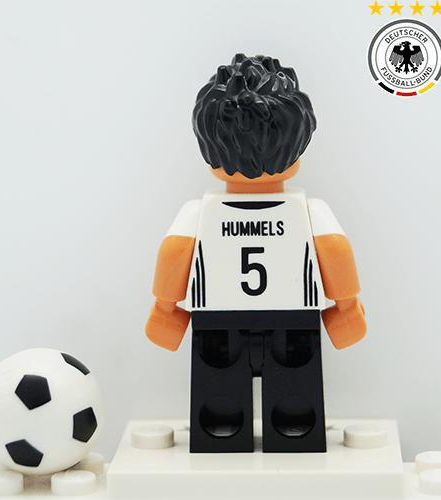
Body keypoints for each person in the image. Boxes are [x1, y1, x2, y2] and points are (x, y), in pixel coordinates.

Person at [145, 54, 366, 453]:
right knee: (296, 400)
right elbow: (334, 249)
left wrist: (165, 311)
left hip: (216, 320)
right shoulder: (307, 212)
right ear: (296, 149)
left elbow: (175, 252)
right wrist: (346, 309)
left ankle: (221, 437)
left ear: (209, 152)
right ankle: (294, 436)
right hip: (294, 319)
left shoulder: (201, 213)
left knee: (218, 400)